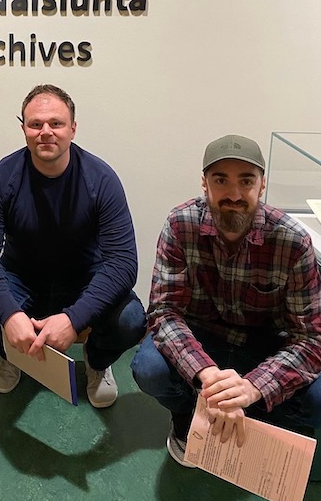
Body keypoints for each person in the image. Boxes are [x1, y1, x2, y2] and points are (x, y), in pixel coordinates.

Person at [132, 134, 321, 467]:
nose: (234, 194)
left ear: (262, 186)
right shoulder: (180, 225)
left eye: (246, 181)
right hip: (203, 339)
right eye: (221, 180)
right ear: (204, 184)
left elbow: (311, 340)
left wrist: (252, 387)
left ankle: (251, 418)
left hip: (266, 347)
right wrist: (205, 375)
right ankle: (189, 413)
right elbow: (164, 312)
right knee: (148, 368)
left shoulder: (293, 241)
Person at [0, 85, 146, 407]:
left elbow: (123, 263)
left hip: (84, 280)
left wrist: (74, 319)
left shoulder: (101, 179)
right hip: (21, 279)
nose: (45, 132)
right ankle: (13, 356)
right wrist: (10, 314)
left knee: (131, 319)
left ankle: (97, 361)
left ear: (73, 128)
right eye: (35, 124)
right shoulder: (2, 177)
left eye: (56, 123)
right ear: (24, 130)